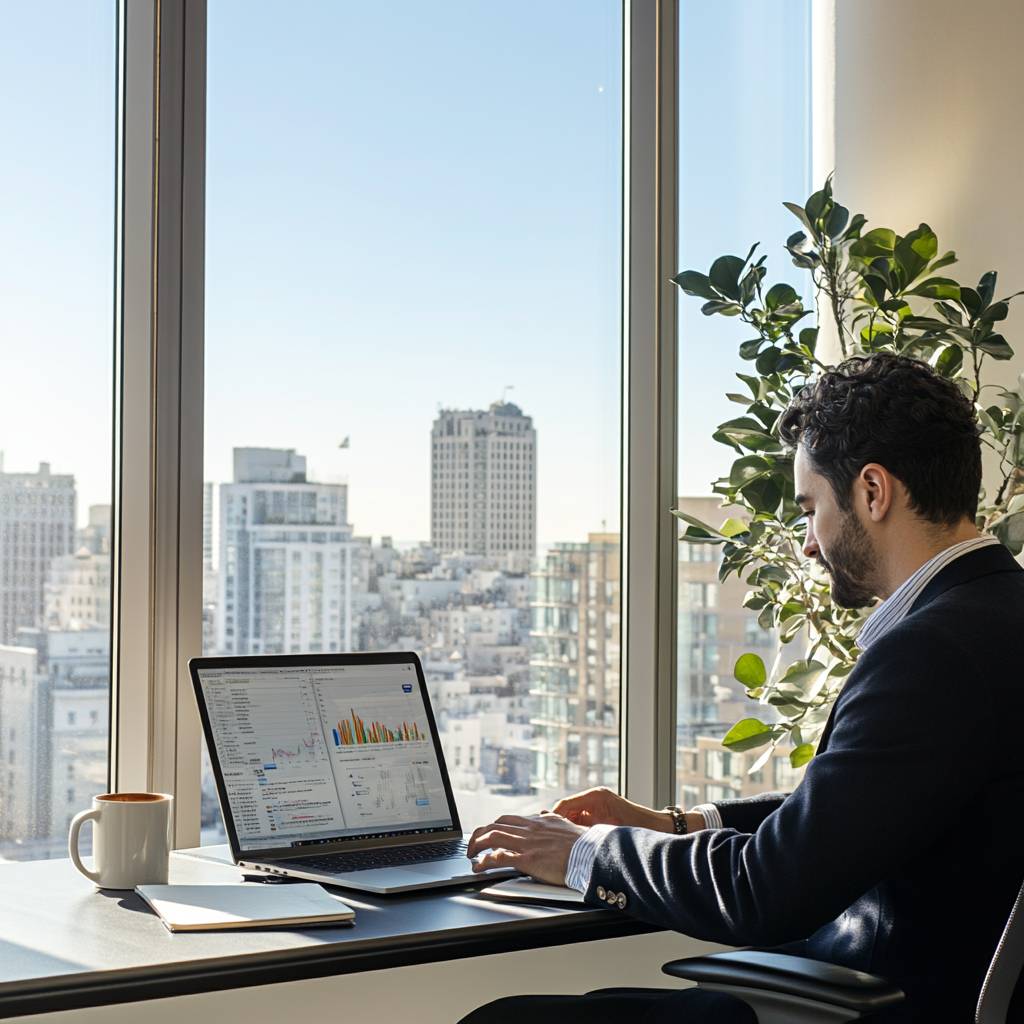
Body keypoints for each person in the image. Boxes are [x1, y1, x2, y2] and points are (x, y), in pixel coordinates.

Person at [460, 353, 1024, 1023]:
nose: (809, 544)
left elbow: (764, 891)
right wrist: (673, 825)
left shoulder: (931, 652)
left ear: (873, 492)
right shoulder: (997, 617)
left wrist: (581, 852)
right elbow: (857, 810)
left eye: (811, 507)